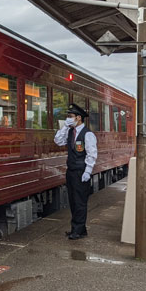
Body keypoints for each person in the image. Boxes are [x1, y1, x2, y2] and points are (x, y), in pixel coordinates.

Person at [54, 103, 97, 240]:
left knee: (80, 202)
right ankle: (79, 229)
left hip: (81, 171)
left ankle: (78, 230)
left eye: (70, 116)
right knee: (73, 201)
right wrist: (65, 126)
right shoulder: (70, 132)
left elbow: (92, 154)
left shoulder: (88, 134)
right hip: (71, 171)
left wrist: (87, 171)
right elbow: (57, 141)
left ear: (78, 118)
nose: (68, 118)